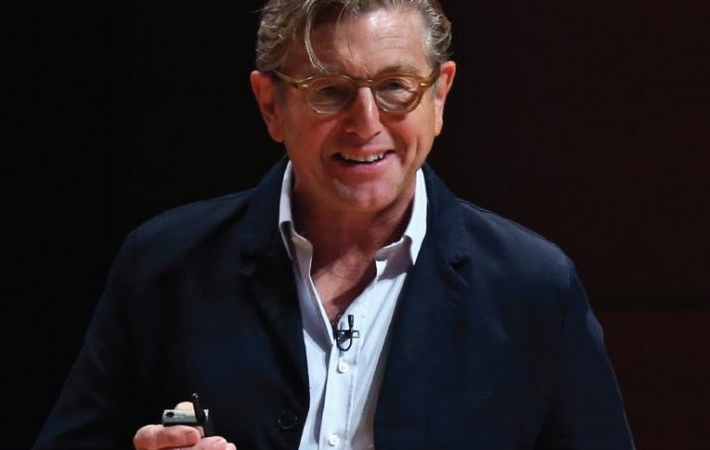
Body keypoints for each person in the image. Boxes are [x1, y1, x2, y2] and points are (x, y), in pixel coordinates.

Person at [33, 0, 634, 449]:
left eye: (395, 86)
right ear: (270, 105)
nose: (365, 123)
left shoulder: (535, 288)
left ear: (439, 96)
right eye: (329, 91)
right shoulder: (162, 264)